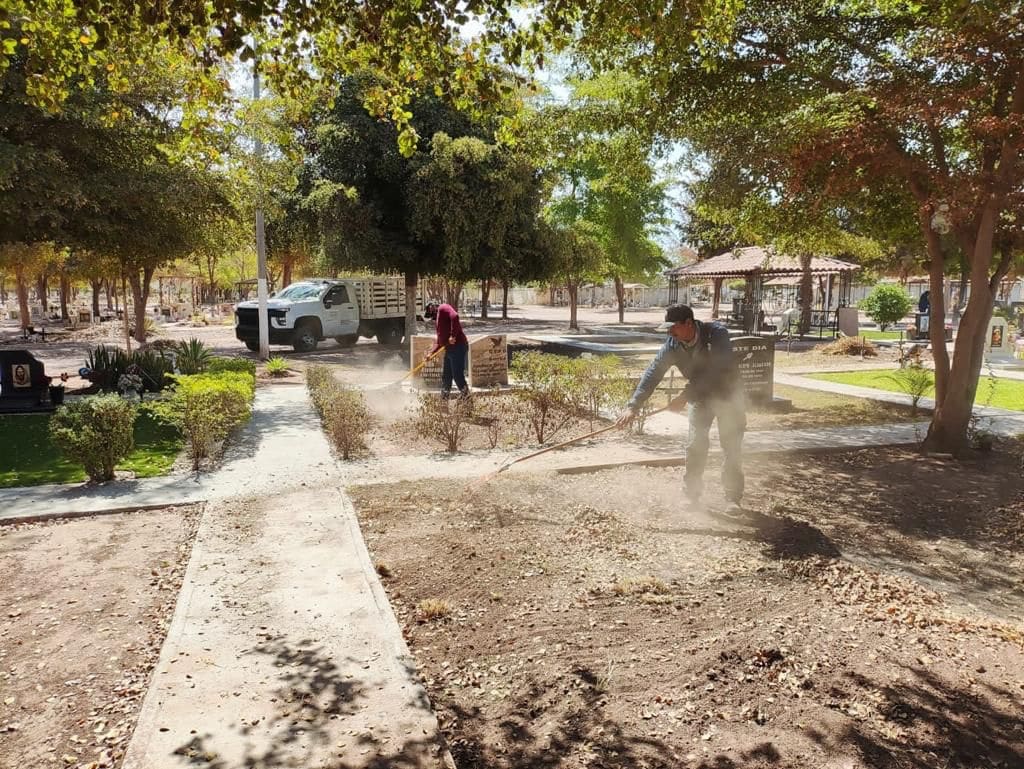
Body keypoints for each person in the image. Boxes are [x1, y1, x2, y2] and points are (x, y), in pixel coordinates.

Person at [616, 304, 746, 512]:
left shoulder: (716, 335)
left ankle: (732, 497)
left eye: (673, 327)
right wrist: (633, 406)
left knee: (731, 446)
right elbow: (653, 372)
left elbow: (718, 371)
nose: (669, 332)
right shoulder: (672, 345)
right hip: (700, 398)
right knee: (695, 444)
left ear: (688, 323)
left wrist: (685, 396)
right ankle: (692, 495)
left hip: (728, 395)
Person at [424, 301, 470, 399]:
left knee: (457, 376)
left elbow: (455, 316)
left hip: (458, 346)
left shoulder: (443, 307)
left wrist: (453, 335)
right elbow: (440, 342)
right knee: (446, 377)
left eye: (432, 315)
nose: (433, 318)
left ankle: (468, 401)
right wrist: (431, 354)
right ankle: (443, 401)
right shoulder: (438, 322)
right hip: (449, 349)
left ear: (433, 308)